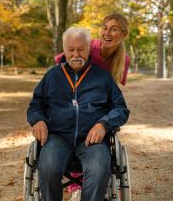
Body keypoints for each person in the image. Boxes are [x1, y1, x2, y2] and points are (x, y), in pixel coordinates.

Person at [27, 27, 130, 201]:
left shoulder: (103, 78)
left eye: (81, 49)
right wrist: (38, 120)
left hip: (92, 140)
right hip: (57, 137)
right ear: (64, 51)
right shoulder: (52, 76)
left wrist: (103, 124)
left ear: (89, 49)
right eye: (71, 49)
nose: (76, 54)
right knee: (48, 167)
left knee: (99, 169)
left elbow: (121, 108)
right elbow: (35, 105)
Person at [55, 13, 130, 201]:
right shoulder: (90, 47)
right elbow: (61, 62)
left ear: (124, 34)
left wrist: (105, 121)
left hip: (98, 106)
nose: (107, 32)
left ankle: (97, 180)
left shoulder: (124, 61)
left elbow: (114, 96)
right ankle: (76, 186)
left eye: (114, 29)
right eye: (105, 27)